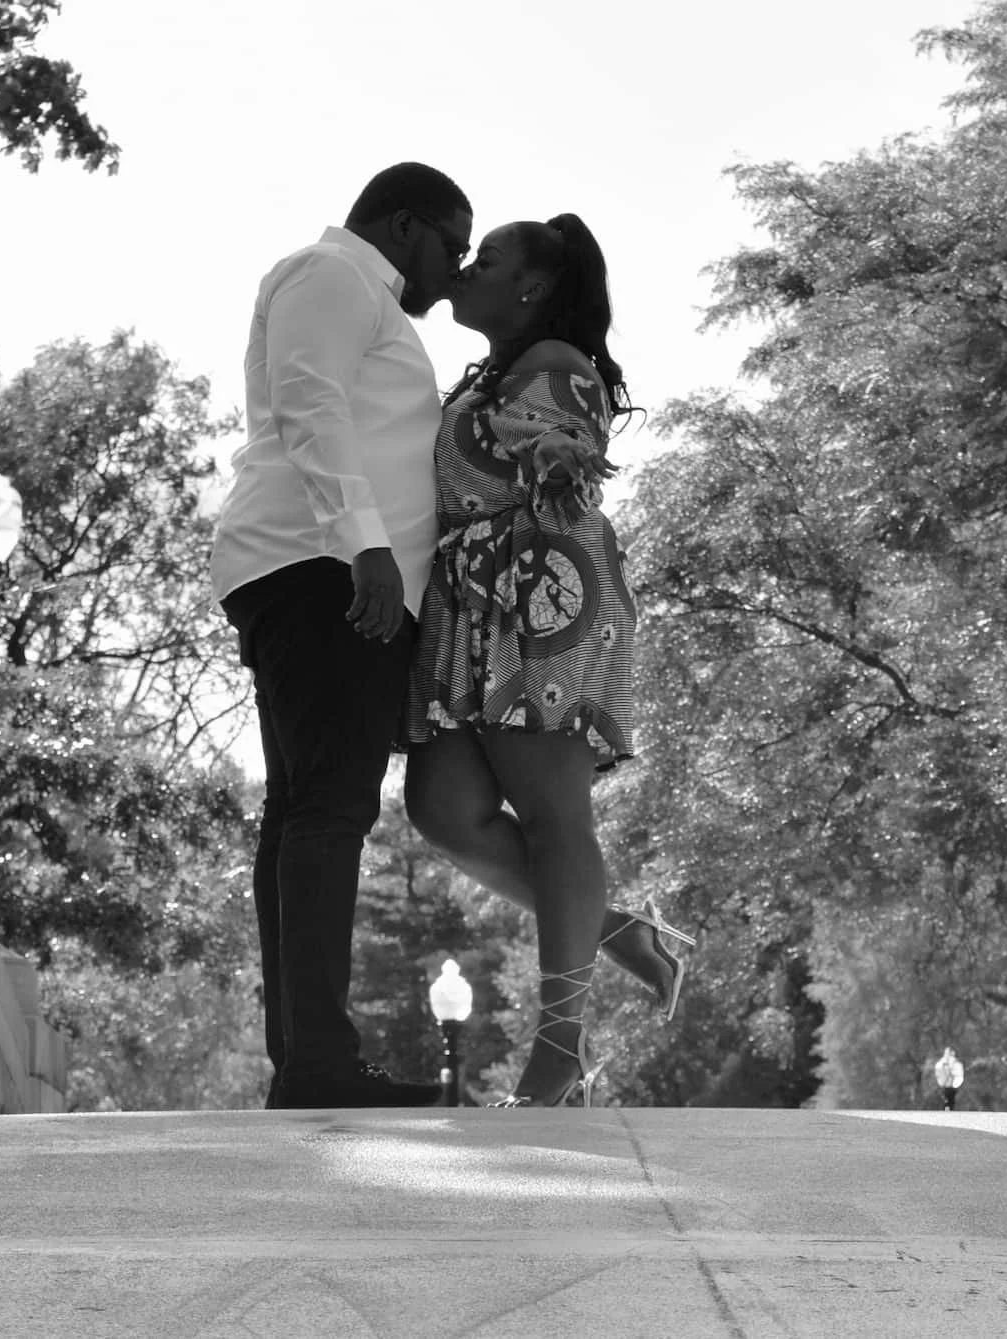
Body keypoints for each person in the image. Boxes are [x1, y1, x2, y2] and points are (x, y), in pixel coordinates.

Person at [402, 213, 690, 1108]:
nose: (467, 267)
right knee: (442, 805)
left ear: (528, 286)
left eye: (484, 260)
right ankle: (621, 932)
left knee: (556, 814)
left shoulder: (558, 365)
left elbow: (541, 472)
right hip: (472, 598)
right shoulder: (496, 370)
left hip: (538, 592)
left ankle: (559, 1043)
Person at [211, 163, 474, 1109]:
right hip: (322, 570)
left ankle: (306, 1058)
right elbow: (308, 401)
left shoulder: (368, 294)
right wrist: (366, 546)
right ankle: (319, 1061)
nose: (458, 268)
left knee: (303, 811)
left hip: (323, 570)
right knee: (327, 811)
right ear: (402, 226)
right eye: (453, 244)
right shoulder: (330, 276)